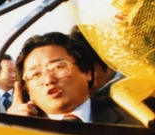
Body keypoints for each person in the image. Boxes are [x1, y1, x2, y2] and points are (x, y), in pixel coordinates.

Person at [7, 32, 139, 124]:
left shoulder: (137, 115)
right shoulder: (24, 132)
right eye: (36, 74)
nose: (48, 80)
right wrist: (13, 134)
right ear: (27, 90)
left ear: (87, 72)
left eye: (58, 67)